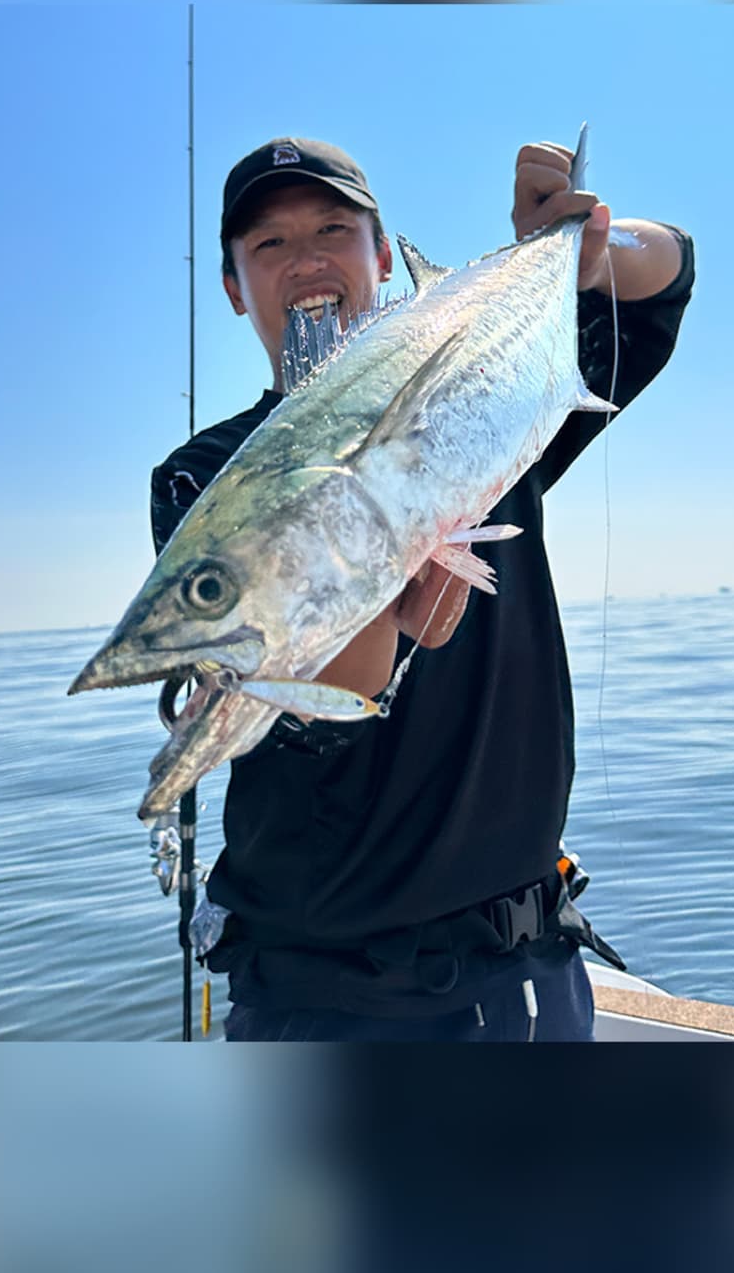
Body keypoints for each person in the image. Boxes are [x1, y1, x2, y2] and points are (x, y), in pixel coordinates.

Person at [150, 136, 692, 1042]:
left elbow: (666, 274)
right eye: (269, 245)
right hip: (320, 996)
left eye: (333, 229)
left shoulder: (492, 399)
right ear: (234, 289)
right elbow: (337, 688)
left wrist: (588, 244)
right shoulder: (202, 479)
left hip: (528, 976)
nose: (308, 259)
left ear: (382, 258)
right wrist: (391, 584)